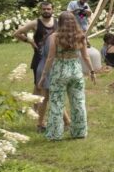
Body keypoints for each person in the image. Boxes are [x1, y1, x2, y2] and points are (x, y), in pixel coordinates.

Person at [38, 12, 95, 141]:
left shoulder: (55, 36)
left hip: (59, 71)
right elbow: (86, 56)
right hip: (76, 72)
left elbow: (50, 57)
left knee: (56, 103)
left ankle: (55, 134)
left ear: (60, 22)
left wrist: (43, 75)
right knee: (79, 102)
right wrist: (92, 71)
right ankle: (79, 132)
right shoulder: (81, 36)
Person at [14, 0, 56, 96]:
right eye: (44, 9)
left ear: (52, 10)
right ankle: (35, 110)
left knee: (54, 85)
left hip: (55, 58)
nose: (46, 11)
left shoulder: (57, 22)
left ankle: (58, 110)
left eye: (48, 9)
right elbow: (16, 33)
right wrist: (30, 41)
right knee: (38, 86)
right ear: (40, 10)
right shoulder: (35, 23)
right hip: (40, 58)